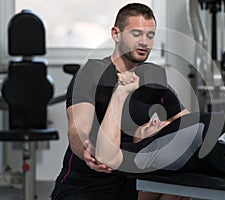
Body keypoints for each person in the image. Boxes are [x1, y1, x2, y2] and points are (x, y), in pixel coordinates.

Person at [89, 41, 225, 194]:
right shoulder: (150, 154)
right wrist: (120, 92)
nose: (154, 120)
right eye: (146, 130)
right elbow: (107, 156)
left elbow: (172, 103)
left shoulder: (184, 124)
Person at [51, 3, 189, 200]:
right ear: (116, 34)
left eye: (150, 36)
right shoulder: (91, 74)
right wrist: (87, 149)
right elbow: (77, 129)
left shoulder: (153, 79)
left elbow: (189, 124)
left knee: (183, 192)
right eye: (136, 34)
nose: (144, 42)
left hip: (133, 184)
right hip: (88, 185)